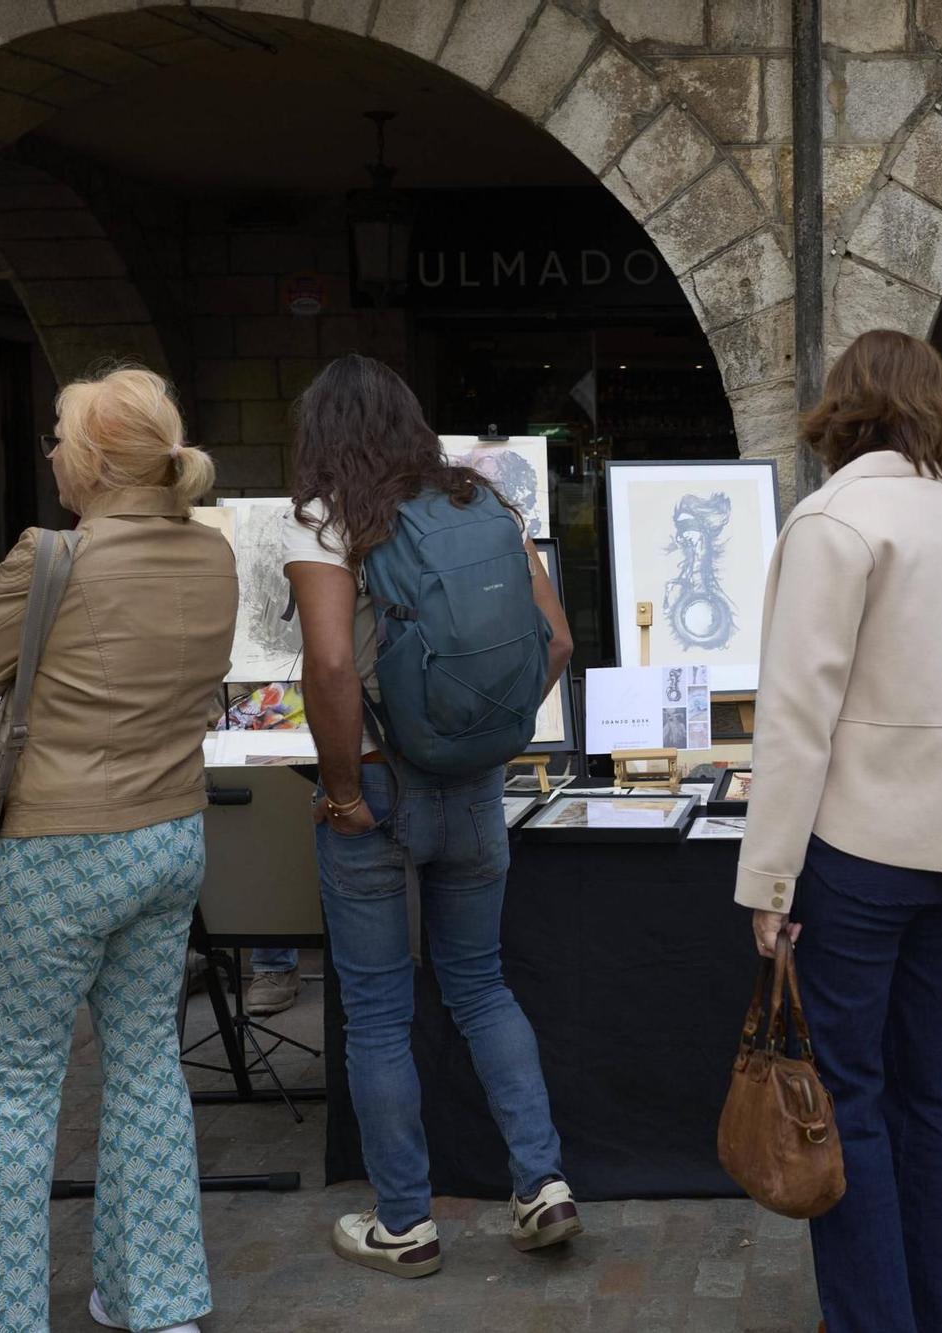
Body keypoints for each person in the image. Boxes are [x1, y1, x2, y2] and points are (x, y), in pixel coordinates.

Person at [0, 367, 238, 1333]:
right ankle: (160, 1299)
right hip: (171, 831)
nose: (52, 453)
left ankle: (1, 1317)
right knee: (148, 1064)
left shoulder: (50, 554)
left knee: (20, 1085)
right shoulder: (213, 556)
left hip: (59, 845)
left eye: (60, 437)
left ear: (98, 461)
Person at [736, 329, 942, 1333]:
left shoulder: (833, 522)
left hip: (858, 855)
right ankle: (931, 1314)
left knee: (849, 1099)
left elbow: (794, 718)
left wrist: (768, 883)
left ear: (842, 404)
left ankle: (873, 1319)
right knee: (933, 1098)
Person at [284, 354, 578, 1278]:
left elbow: (331, 669)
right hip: (477, 783)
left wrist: (338, 793)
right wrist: (490, 730)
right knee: (481, 983)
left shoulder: (329, 518)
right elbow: (559, 639)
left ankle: (404, 1223)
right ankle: (543, 1182)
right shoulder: (484, 504)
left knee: (377, 1011)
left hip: (371, 785)